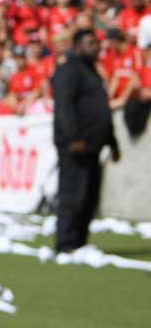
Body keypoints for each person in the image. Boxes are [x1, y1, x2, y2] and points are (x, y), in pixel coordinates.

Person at [51, 29, 121, 253]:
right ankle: (66, 243)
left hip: (94, 146)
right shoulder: (68, 71)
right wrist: (74, 138)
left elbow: (101, 110)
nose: (97, 47)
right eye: (91, 43)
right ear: (78, 46)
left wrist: (113, 142)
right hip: (75, 146)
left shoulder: (92, 72)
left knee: (89, 197)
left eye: (97, 43)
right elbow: (64, 107)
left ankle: (80, 242)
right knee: (73, 195)